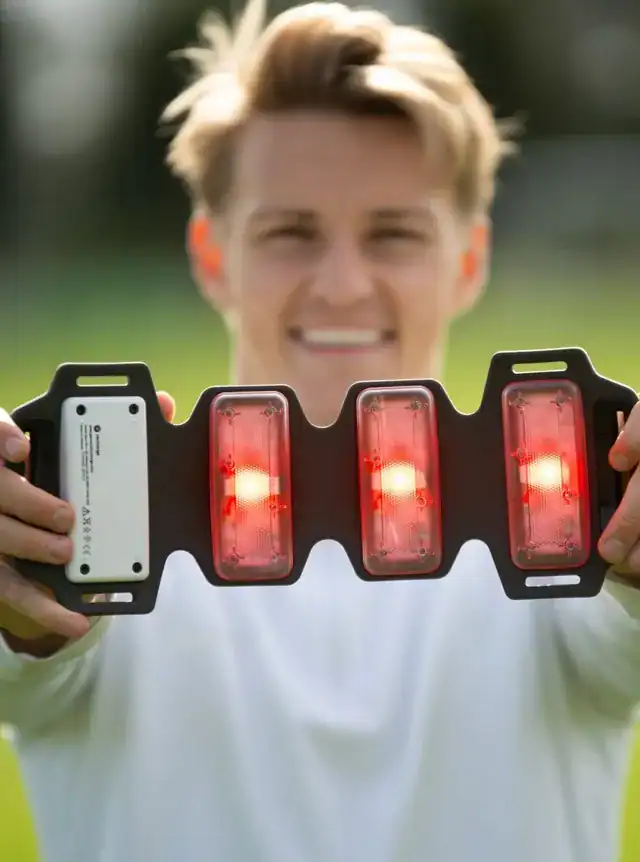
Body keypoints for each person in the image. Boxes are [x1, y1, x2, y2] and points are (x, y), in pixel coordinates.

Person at [1, 1, 640, 860]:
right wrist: (22, 575)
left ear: (468, 260)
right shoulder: (83, 522)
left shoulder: (570, 530)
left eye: (394, 233)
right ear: (212, 254)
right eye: (291, 232)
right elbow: (36, 635)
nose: (343, 284)